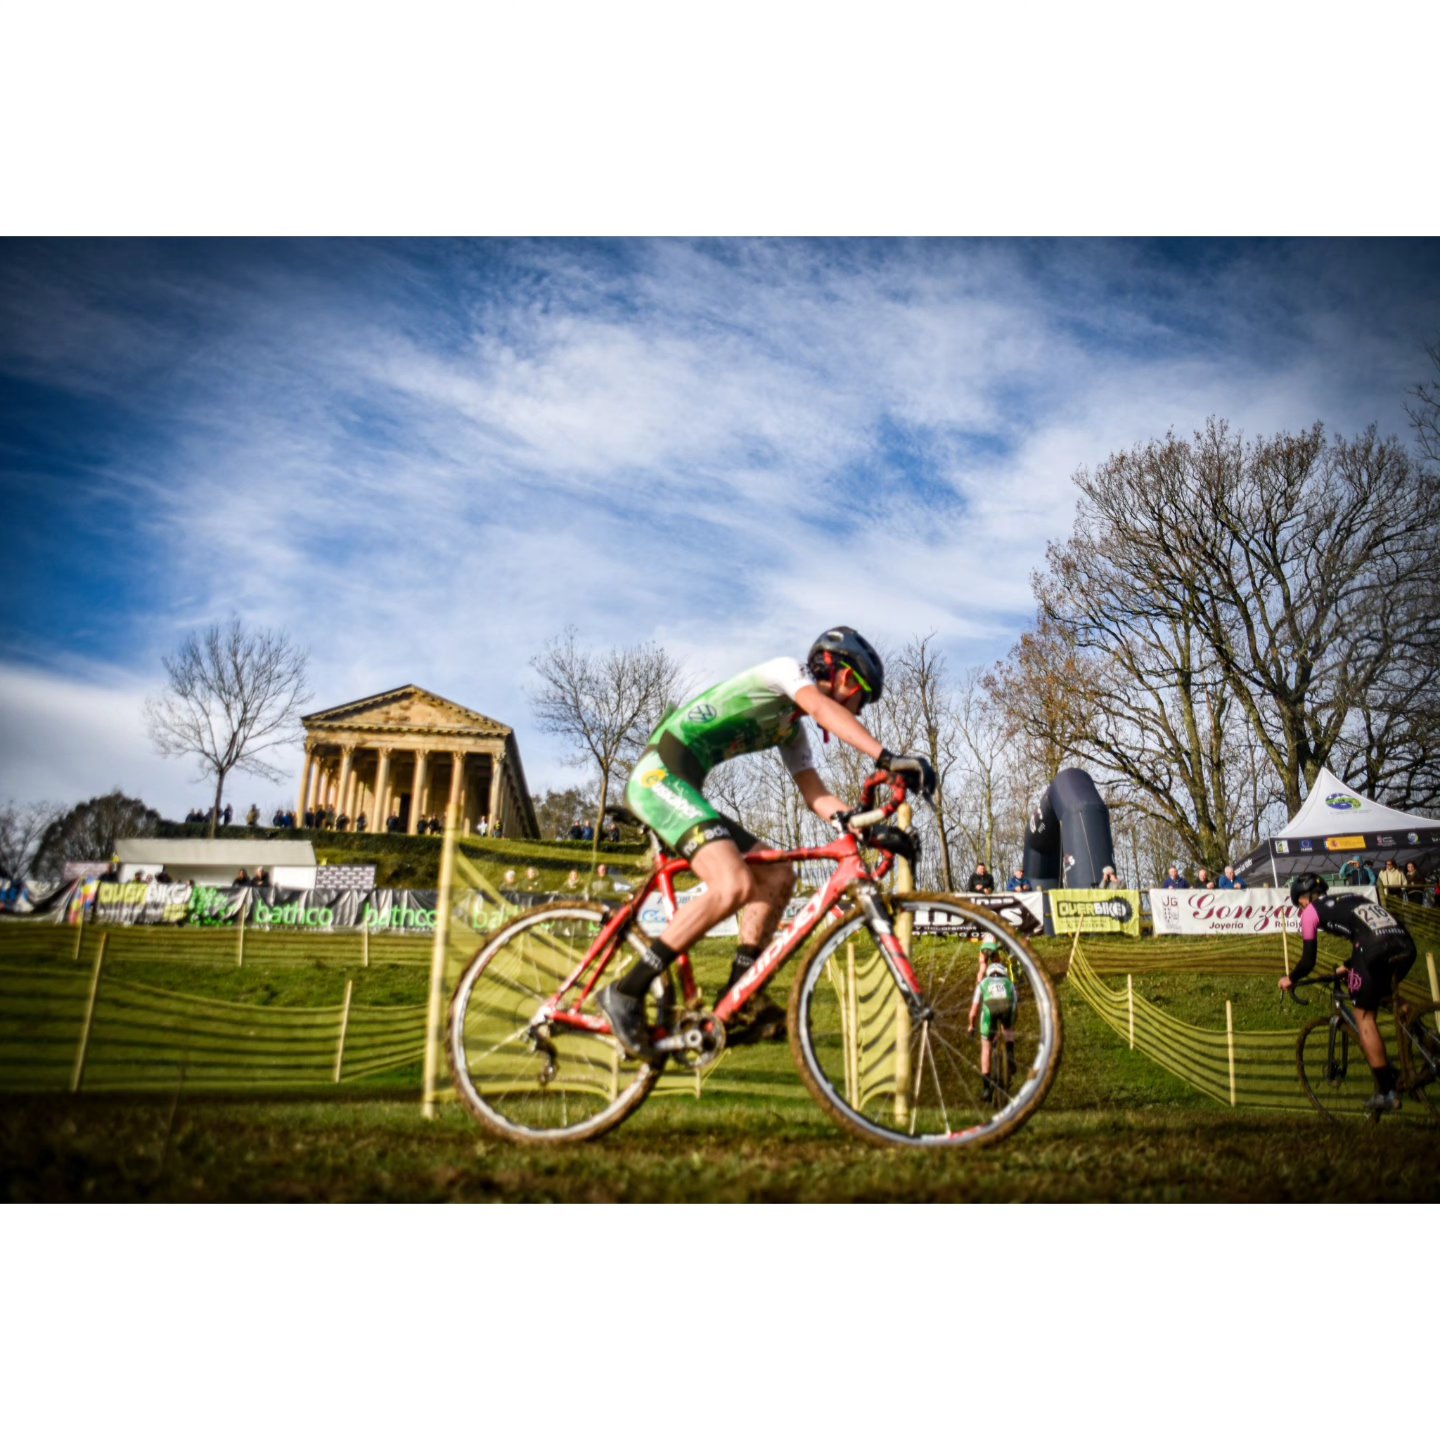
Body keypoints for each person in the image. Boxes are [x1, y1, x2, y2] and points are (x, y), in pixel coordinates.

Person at [598, 627, 935, 1057]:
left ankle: (740, 994)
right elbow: (826, 710)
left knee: (777, 873)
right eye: (861, 701)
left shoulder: (791, 730)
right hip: (658, 778)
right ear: (848, 680)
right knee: (733, 884)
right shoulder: (786, 674)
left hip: (682, 786)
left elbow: (815, 795)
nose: (858, 712)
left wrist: (866, 830)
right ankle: (626, 991)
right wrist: (887, 758)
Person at [1280, 874, 1418, 1112]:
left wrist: (1290, 979)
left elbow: (1308, 961)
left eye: (1299, 905)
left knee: (1364, 1016)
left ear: (1303, 901)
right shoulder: (1351, 898)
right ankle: (1428, 1046)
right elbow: (1371, 930)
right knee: (1385, 995)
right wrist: (1349, 964)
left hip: (1374, 949)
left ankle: (1387, 1092)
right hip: (1404, 944)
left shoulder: (1311, 913)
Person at [967, 936, 1017, 1103]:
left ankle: (987, 1089)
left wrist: (971, 1026)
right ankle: (1010, 1054)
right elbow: (1015, 1005)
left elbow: (974, 1011)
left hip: (989, 1010)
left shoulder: (984, 983)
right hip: (1006, 1008)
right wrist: (1010, 1026)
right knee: (1008, 1028)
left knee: (986, 1048)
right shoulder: (1009, 984)